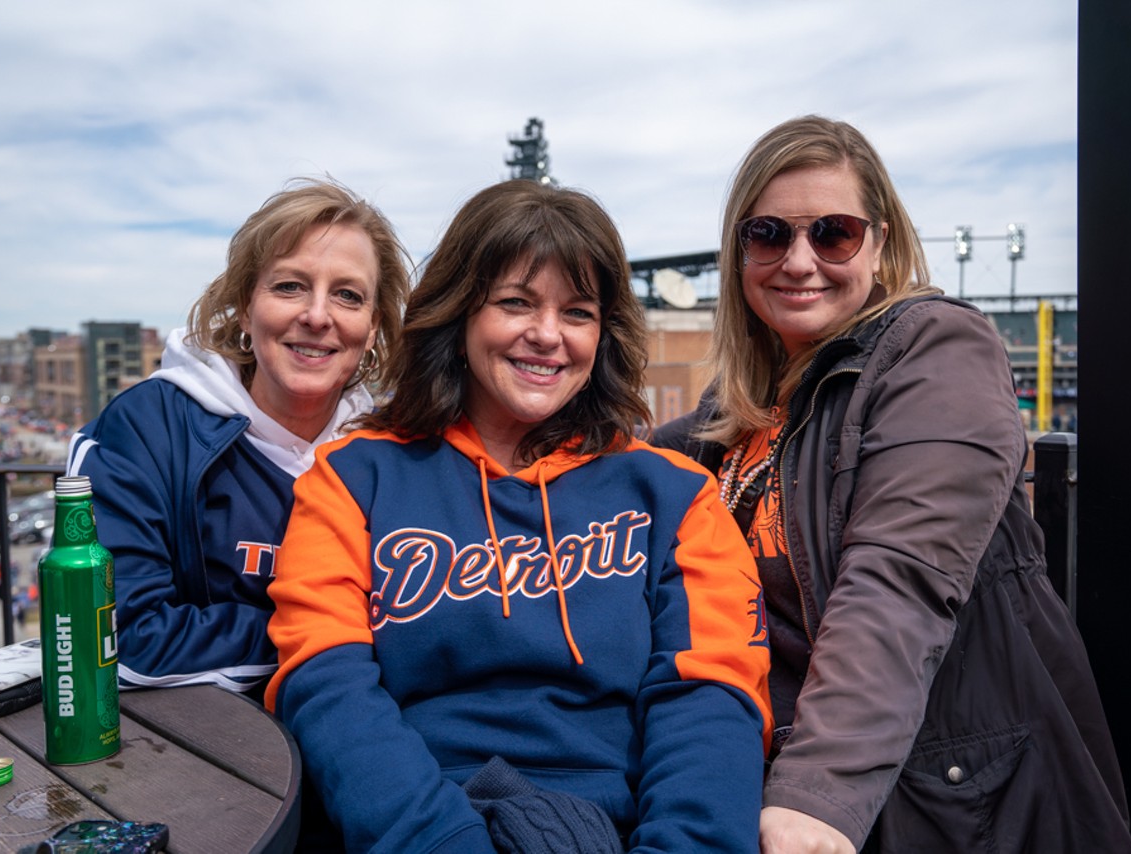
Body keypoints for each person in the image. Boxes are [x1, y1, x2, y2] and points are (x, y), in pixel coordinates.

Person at [652, 115, 1131, 853]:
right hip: (767, 789)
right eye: (770, 235)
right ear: (740, 254)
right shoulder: (733, 414)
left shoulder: (936, 350)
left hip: (938, 802)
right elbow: (615, 472)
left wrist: (818, 792)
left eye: (834, 233)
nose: (800, 260)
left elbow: (900, 577)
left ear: (880, 244)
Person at [266, 179, 772, 853]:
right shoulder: (351, 480)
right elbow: (328, 691)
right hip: (415, 830)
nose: (547, 336)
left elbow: (711, 707)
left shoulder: (676, 496)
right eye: (516, 303)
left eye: (578, 312)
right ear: (461, 314)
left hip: (618, 832)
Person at [65, 177, 409, 694]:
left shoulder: (392, 453)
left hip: (354, 732)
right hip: (195, 750)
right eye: (289, 285)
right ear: (246, 306)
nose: (317, 316)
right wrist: (323, 639)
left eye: (347, 295)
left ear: (373, 325)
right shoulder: (148, 426)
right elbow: (121, 635)